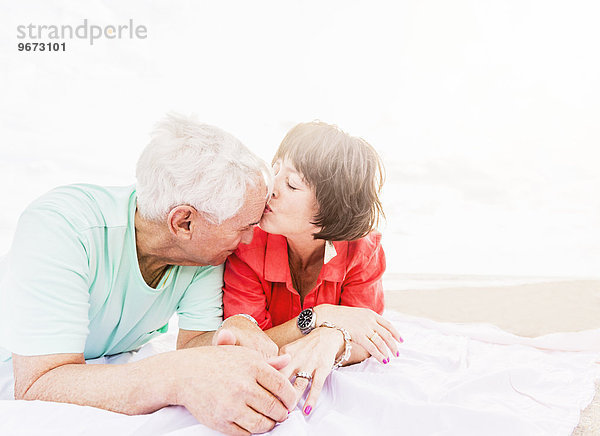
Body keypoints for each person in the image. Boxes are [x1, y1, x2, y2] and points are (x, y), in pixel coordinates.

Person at [0, 114, 297, 436]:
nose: (249, 241)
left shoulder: (203, 254)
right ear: (183, 222)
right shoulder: (62, 227)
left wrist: (236, 329)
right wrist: (176, 376)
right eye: (243, 228)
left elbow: (191, 345)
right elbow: (38, 383)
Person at [223, 121, 403, 416]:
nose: (271, 187)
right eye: (275, 168)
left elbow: (369, 337)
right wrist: (321, 318)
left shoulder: (363, 250)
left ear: (332, 208)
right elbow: (250, 341)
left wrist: (331, 338)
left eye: (292, 183)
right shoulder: (247, 246)